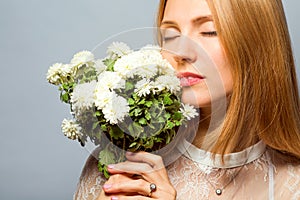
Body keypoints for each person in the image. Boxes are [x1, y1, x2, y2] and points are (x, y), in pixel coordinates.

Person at [74, 0, 300, 199]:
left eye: (209, 31)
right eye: (170, 36)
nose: (180, 52)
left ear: (260, 43)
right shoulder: (119, 169)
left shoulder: (293, 184)